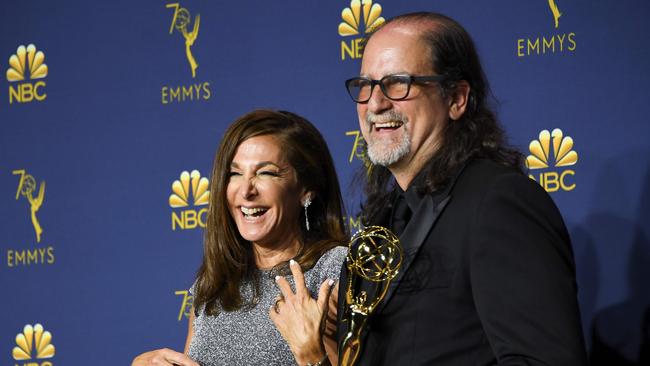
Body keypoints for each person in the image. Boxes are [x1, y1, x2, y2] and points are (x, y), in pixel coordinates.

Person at [337, 12, 588, 365]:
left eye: (397, 83)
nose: (376, 103)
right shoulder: (381, 222)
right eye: (366, 85)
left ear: (456, 98)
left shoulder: (499, 202)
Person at [132, 110, 347, 366]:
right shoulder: (211, 286)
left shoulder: (335, 271)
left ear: (306, 190)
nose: (246, 191)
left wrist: (313, 356)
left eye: (266, 173)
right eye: (235, 174)